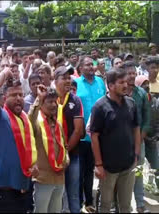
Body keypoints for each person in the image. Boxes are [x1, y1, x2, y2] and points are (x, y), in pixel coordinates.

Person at [0, 67, 38, 212]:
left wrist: (34, 165)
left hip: (25, 187)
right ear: (3, 99)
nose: (18, 98)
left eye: (21, 94)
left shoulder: (24, 118)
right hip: (7, 192)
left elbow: (29, 149)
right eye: (13, 95)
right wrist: (4, 73)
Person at [90, 68, 140, 213]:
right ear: (110, 86)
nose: (125, 85)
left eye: (126, 81)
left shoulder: (131, 103)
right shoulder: (100, 107)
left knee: (125, 205)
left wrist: (136, 154)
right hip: (108, 167)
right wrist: (99, 164)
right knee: (105, 204)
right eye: (121, 82)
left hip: (128, 164)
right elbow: (94, 136)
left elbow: (136, 128)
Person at [28, 85, 69, 213]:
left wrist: (66, 159)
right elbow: (30, 118)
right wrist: (38, 99)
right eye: (49, 101)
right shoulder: (36, 123)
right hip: (43, 179)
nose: (53, 105)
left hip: (59, 178)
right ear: (42, 104)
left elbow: (64, 146)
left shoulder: (58, 125)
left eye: (55, 101)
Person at [75, 56, 106, 212]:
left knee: (90, 171)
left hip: (98, 137)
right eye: (87, 65)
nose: (91, 67)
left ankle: (89, 201)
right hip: (81, 137)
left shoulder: (101, 83)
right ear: (80, 68)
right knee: (79, 172)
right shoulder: (76, 84)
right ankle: (78, 201)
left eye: (92, 64)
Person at [54, 66, 84, 213]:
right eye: (64, 77)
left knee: (73, 194)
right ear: (55, 80)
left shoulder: (75, 100)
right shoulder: (48, 99)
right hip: (51, 157)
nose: (68, 81)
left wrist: (65, 152)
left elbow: (78, 130)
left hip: (72, 155)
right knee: (57, 195)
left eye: (69, 78)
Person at [122, 61, 151, 213]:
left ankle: (140, 203)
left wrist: (142, 135)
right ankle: (118, 205)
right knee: (121, 173)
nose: (132, 76)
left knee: (138, 171)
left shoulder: (142, 94)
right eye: (129, 73)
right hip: (121, 141)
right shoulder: (119, 93)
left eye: (134, 73)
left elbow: (147, 118)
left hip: (139, 139)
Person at [136, 75, 159, 193]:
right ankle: (139, 194)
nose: (146, 86)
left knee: (156, 166)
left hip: (153, 139)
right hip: (139, 139)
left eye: (147, 83)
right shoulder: (136, 101)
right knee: (138, 169)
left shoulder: (155, 101)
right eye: (143, 84)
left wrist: (156, 135)